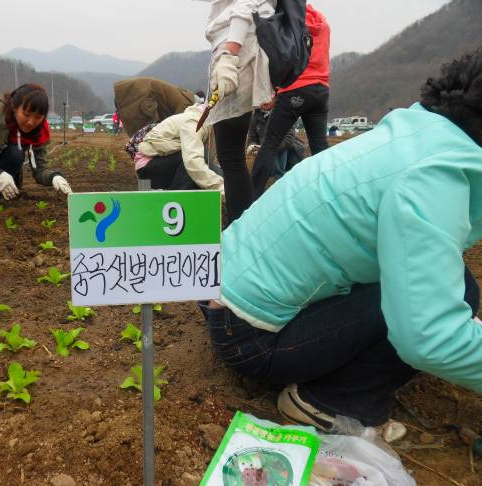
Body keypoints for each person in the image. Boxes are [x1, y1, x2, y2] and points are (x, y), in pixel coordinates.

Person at [202, 49, 482, 433]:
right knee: (457, 295)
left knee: (450, 286)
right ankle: (328, 400)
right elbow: (427, 335)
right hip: (249, 336)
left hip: (220, 288)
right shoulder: (438, 176)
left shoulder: (412, 137)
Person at [203, 0, 277, 224]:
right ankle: (244, 224)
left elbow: (244, 9)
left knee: (230, 155)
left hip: (237, 57)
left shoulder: (241, 10)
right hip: (238, 55)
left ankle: (241, 226)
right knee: (232, 155)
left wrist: (228, 56)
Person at [251, 4, 331, 197]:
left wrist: (276, 91)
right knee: (320, 148)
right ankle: (330, 194)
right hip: (321, 89)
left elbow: (283, 57)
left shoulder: (291, 22)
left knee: (270, 143)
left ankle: (251, 199)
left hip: (295, 89)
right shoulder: (323, 22)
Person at [130, 104, 224, 192]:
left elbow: (214, 164)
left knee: (210, 172)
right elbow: (192, 161)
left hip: (158, 163)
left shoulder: (207, 124)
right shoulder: (194, 121)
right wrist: (220, 187)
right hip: (147, 168)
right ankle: (179, 201)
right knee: (194, 162)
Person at [114, 77, 197, 136]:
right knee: (148, 136)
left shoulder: (186, 96)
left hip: (140, 91)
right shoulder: (187, 104)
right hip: (144, 97)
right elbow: (177, 128)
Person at [246, 106, 306, 180]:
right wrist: (252, 147)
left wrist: (268, 148)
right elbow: (252, 138)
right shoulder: (255, 115)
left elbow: (289, 138)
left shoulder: (283, 111)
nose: (263, 101)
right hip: (265, 150)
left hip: (289, 151)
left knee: (276, 149)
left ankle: (279, 177)